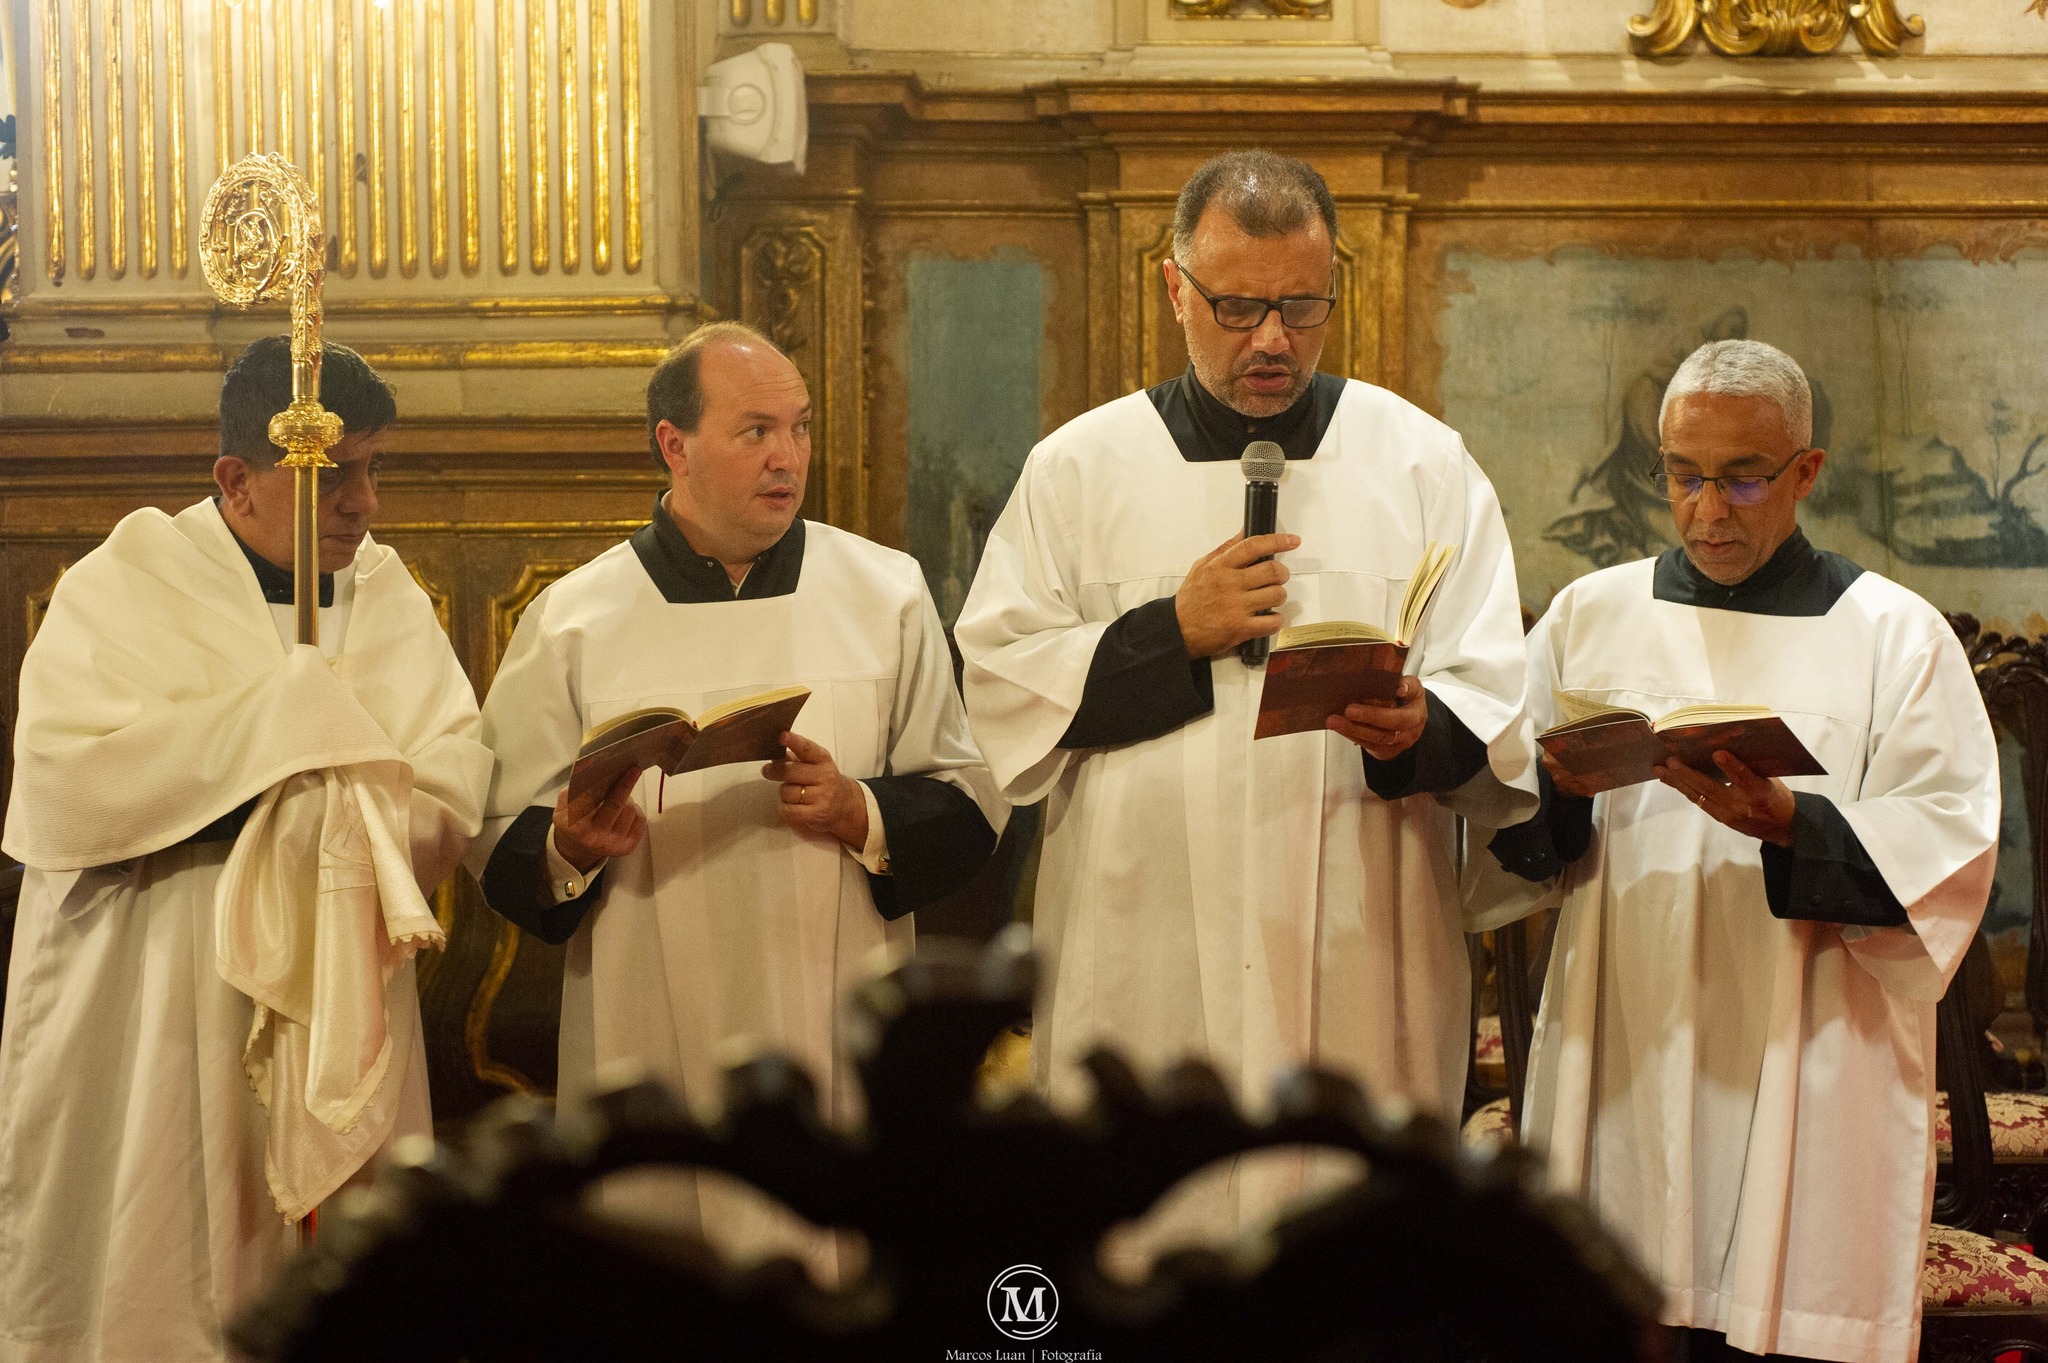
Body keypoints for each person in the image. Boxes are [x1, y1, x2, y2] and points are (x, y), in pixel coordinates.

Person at [953, 151, 1534, 1233]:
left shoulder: (1420, 464)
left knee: (1347, 1248)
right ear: (1174, 288)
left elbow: (1494, 688)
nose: (1271, 339)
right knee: (1145, 1235)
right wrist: (1167, 632)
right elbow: (999, 680)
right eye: (1236, 307)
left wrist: (1421, 730)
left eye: (1300, 307)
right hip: (1144, 926)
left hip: (1360, 924)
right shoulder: (1079, 470)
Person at [1482, 339, 1998, 1363]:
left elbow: (1948, 844)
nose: (1706, 510)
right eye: (1681, 476)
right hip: (1624, 1032)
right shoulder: (1589, 617)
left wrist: (1793, 826)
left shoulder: (1891, 635)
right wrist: (1561, 792)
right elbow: (1506, 834)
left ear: (1805, 473)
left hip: (1807, 1049)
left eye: (1742, 479)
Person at [470, 321, 1005, 1273]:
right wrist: (570, 846)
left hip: (831, 1003)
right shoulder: (576, 619)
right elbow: (496, 839)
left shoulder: (884, 593)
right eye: (756, 430)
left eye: (798, 429)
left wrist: (862, 813)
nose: (787, 457)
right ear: (675, 444)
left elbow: (968, 801)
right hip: (646, 1012)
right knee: (660, 1278)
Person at [0, 336, 491, 1363]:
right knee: (165, 1249)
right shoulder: (129, 583)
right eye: (334, 473)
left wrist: (339, 808)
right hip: (161, 1009)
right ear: (235, 479)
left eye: (373, 468)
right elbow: (62, 777)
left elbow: (450, 776)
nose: (363, 501)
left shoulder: (386, 595)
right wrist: (277, 740)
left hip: (344, 987)